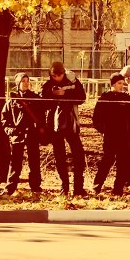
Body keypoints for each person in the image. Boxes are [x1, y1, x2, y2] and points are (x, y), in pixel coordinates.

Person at [41, 61, 87, 196]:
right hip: (54, 127)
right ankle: (64, 187)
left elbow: (82, 98)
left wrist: (65, 95)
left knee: (78, 155)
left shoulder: (73, 81)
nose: (57, 78)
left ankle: (78, 187)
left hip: (71, 124)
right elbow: (43, 103)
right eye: (54, 76)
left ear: (63, 73)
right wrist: (53, 95)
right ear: (50, 75)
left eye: (59, 75)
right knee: (59, 157)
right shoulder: (47, 85)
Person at [92, 72, 130, 195]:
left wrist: (128, 130)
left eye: (123, 83)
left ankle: (118, 189)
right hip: (110, 136)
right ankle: (97, 185)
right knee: (107, 161)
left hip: (123, 135)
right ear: (112, 84)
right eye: (119, 83)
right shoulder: (105, 97)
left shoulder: (127, 98)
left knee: (122, 163)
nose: (122, 85)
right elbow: (96, 118)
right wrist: (104, 130)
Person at [0, 72, 45, 195]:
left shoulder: (36, 99)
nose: (26, 83)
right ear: (18, 83)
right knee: (15, 164)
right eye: (23, 81)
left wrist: (39, 130)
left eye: (27, 81)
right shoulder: (11, 101)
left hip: (32, 135)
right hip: (17, 136)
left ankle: (36, 188)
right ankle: (10, 188)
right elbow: (5, 120)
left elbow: (42, 117)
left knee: (34, 163)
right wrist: (12, 131)